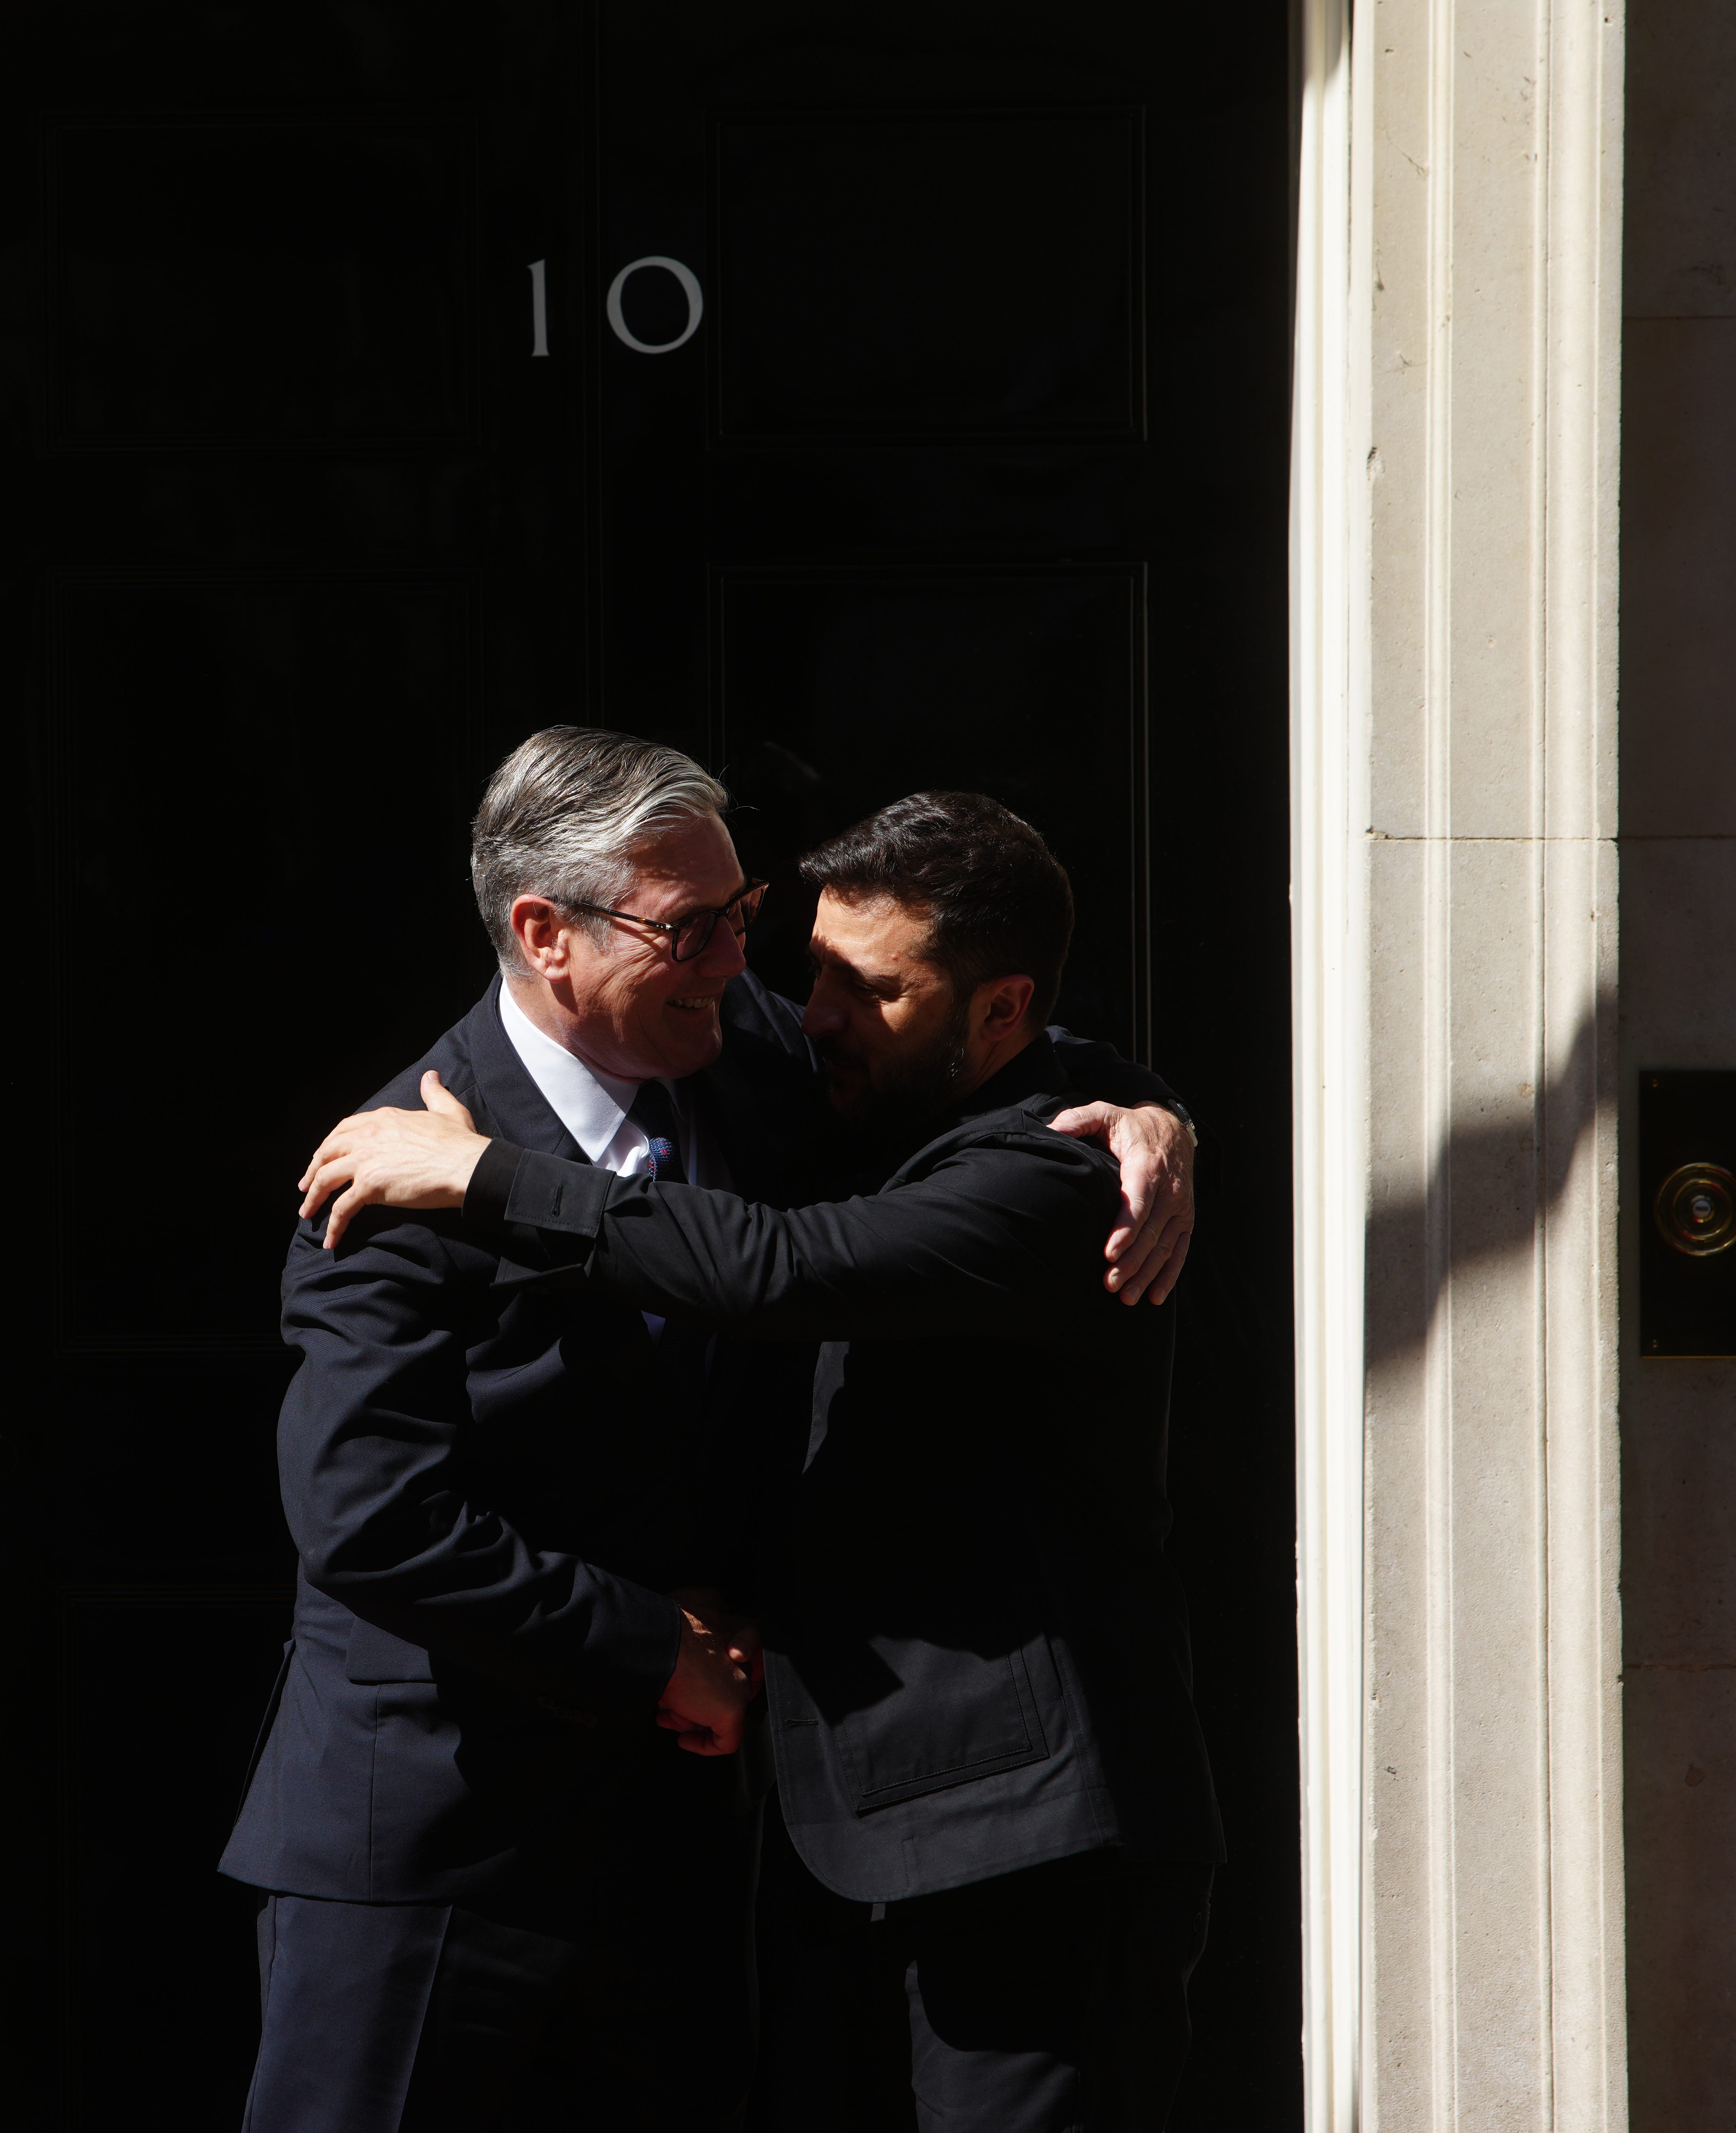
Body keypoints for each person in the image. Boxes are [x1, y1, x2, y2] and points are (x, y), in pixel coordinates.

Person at [225, 733, 1195, 2132]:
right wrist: (652, 1653)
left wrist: (1151, 1113)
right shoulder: (392, 1168)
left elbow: (974, 1053)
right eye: (692, 929)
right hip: (432, 1848)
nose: (744, 967)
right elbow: (373, 1523)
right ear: (545, 934)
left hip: (684, 1861)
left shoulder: (745, 1065)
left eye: (743, 917)